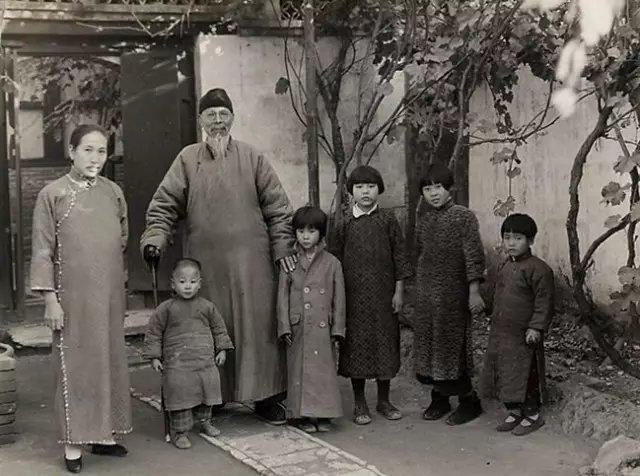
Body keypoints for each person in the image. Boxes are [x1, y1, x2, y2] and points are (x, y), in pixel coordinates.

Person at [140, 88, 296, 423]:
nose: (218, 121)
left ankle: (266, 397)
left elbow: (278, 207)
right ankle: (216, 395)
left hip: (253, 266)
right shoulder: (187, 159)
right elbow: (164, 205)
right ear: (200, 120)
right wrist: (155, 238)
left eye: (224, 114)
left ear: (233, 118)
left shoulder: (252, 157)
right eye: (210, 114)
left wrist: (283, 246)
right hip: (206, 267)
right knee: (209, 327)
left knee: (258, 329)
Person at [30, 124, 132, 473]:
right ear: (71, 151)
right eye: (87, 150)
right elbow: (42, 251)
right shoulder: (53, 194)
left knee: (108, 360)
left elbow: (120, 240)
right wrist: (50, 300)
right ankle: (73, 444)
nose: (95, 158)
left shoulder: (113, 192)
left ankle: (102, 435)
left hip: (109, 295)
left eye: (101, 151)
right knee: (77, 365)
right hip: (72, 298)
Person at [329, 165, 412, 425]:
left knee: (385, 345)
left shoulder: (388, 220)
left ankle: (384, 400)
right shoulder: (343, 223)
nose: (365, 192)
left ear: (379, 190)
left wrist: (399, 292)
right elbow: (334, 262)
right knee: (356, 346)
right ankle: (359, 402)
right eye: (360, 187)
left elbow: (400, 256)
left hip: (383, 297)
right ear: (351, 191)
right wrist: (336, 298)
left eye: (371, 186)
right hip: (353, 298)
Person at [413, 162, 486, 426]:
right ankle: (439, 398)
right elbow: (419, 254)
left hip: (453, 296)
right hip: (426, 294)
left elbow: (473, 255)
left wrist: (474, 291)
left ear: (450, 188)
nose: (433, 193)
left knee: (452, 348)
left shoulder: (463, 217)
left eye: (439, 187)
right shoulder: (423, 219)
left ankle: (469, 401)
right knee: (430, 346)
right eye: (428, 189)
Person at [144, 258, 234, 448]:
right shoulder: (166, 309)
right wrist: (154, 356)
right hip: (178, 364)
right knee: (180, 395)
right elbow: (154, 333)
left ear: (199, 284)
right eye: (182, 281)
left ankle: (205, 421)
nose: (187, 286)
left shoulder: (207, 307)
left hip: (204, 361)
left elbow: (219, 329)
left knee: (207, 391)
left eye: (193, 282)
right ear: (173, 284)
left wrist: (222, 349)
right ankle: (180, 432)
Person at [480, 214, 554, 436]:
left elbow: (544, 302)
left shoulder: (539, 270)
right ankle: (514, 411)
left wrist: (536, 327)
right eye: (507, 237)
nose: (511, 243)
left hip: (524, 335)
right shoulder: (504, 265)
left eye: (518, 238)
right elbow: (498, 294)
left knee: (526, 374)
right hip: (502, 331)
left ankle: (532, 415)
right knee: (506, 372)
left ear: (530, 240)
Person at [277, 206, 346, 433]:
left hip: (322, 326)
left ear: (321, 233)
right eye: (300, 231)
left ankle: (324, 413)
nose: (305, 236)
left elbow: (339, 299)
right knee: (299, 370)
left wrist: (338, 329)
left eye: (311, 231)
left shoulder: (332, 263)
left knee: (323, 371)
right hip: (298, 325)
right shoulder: (289, 262)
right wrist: (284, 326)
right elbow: (282, 297)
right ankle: (300, 415)